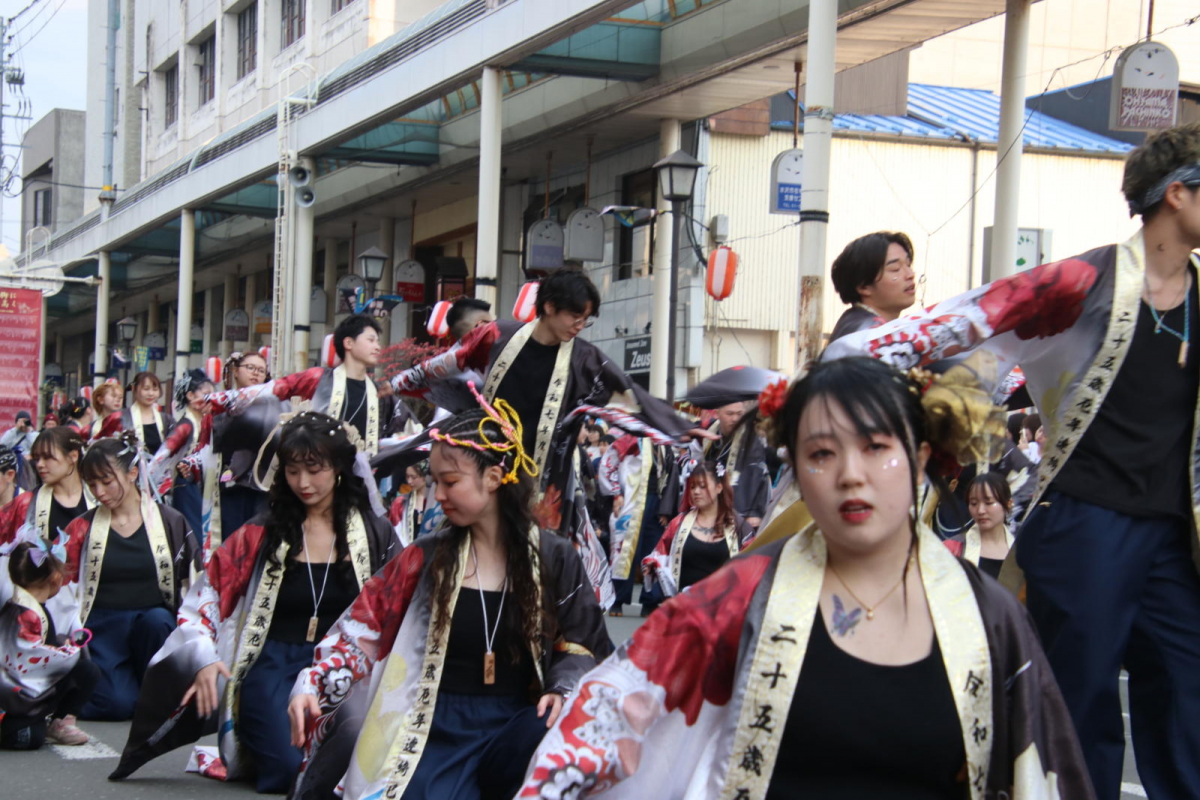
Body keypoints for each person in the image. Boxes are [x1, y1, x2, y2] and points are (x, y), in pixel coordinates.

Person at [823, 122, 1200, 800]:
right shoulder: (1085, 279)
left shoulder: (1198, 293)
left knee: (1186, 693)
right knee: (1080, 706)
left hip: (1172, 533)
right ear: (1178, 194)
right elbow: (971, 325)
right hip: (1089, 518)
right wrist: (843, 378)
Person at [519, 357, 1093, 799]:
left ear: (919, 457)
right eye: (821, 453)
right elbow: (609, 711)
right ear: (794, 467)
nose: (850, 475)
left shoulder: (989, 615)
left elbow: (1047, 770)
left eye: (876, 448)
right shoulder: (737, 596)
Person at [287, 399, 612, 800]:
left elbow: (582, 642)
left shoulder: (553, 556)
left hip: (514, 725)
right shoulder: (425, 558)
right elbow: (362, 628)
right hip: (432, 724)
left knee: (553, 742)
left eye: (450, 481)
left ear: (493, 477)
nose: (438, 493)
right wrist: (312, 683)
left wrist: (562, 689)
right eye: (434, 480)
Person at [109, 413, 398, 793]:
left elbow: (400, 605)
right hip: (273, 664)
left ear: (341, 466)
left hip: (343, 668)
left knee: (347, 766)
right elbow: (208, 594)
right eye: (293, 471)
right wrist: (204, 657)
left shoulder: (375, 534)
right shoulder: (262, 531)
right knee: (289, 768)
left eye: (315, 469)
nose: (303, 483)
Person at [392, 269, 706, 606]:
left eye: (586, 318)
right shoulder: (498, 336)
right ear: (550, 307)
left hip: (543, 483)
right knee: (462, 550)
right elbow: (450, 361)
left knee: (534, 568)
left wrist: (677, 426)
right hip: (484, 469)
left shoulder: (585, 360)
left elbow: (629, 395)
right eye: (575, 315)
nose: (580, 325)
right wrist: (396, 383)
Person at [63, 433, 200, 720]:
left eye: (106, 480)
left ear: (132, 473)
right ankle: (140, 693)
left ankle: (154, 689)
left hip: (152, 625)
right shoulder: (81, 528)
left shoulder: (171, 521)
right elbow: (63, 587)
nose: (99, 491)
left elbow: (194, 583)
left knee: (158, 620)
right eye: (92, 484)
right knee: (115, 706)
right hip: (101, 627)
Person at [207, 314, 392, 455]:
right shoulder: (317, 378)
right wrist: (212, 400)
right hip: (314, 473)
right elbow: (270, 390)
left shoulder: (380, 393)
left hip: (360, 483)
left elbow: (403, 433)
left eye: (377, 341)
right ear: (348, 343)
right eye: (371, 340)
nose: (377, 346)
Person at [0, 540, 100, 749]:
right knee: (27, 739)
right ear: (55, 577)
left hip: (22, 688)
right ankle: (44, 721)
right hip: (16, 694)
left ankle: (59, 721)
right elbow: (31, 659)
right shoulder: (25, 612)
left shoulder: (27, 606)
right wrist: (69, 650)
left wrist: (62, 645)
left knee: (85, 670)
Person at [642, 459, 753, 596]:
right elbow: (660, 552)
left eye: (702, 486)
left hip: (721, 608)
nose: (696, 492)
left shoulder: (739, 526)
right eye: (693, 487)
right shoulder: (679, 523)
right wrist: (652, 563)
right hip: (683, 605)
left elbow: (752, 562)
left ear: (719, 487)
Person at [214, 351, 273, 542]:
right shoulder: (221, 406)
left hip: (262, 487)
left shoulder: (273, 405)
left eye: (261, 371)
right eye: (250, 368)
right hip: (230, 487)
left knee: (257, 544)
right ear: (236, 371)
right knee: (231, 542)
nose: (256, 373)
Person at [0, 427, 92, 547]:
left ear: (73, 456)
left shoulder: (99, 497)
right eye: (37, 459)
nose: (40, 464)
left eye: (48, 457)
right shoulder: (26, 503)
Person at [152, 369, 215, 544]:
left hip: (203, 483)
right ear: (190, 396)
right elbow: (161, 456)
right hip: (186, 485)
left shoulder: (203, 422)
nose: (211, 398)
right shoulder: (186, 426)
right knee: (192, 533)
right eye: (206, 394)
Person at [828, 231, 917, 342]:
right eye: (895, 269)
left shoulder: (857, 325)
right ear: (864, 287)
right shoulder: (867, 335)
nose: (910, 274)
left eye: (908, 265)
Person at [944, 472, 1014, 580]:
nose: (980, 510)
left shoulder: (1020, 553)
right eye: (973, 503)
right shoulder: (951, 548)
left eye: (989, 502)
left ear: (1008, 504)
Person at [94, 371, 174, 454]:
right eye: (146, 389)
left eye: (155, 389)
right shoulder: (118, 418)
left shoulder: (166, 420)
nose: (151, 393)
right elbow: (99, 447)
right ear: (134, 389)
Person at [388, 462, 444, 546]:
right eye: (407, 476)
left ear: (425, 477)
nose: (409, 481)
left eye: (414, 477)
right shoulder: (400, 502)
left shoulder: (438, 502)